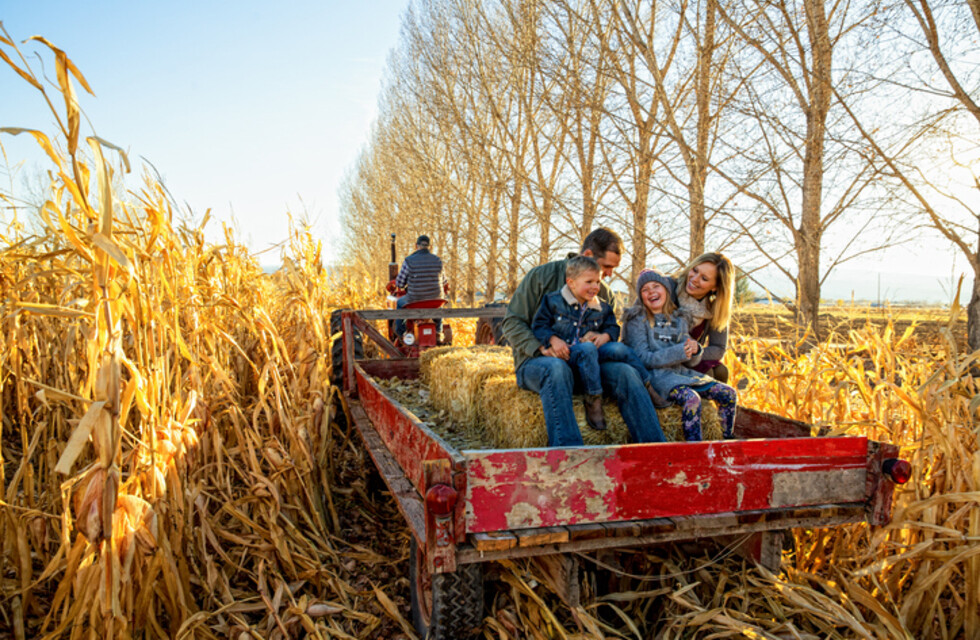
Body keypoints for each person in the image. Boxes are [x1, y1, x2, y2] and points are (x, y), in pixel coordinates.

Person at [501, 228, 666, 447]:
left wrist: (604, 337)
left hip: (587, 368)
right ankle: (570, 455)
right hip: (538, 364)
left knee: (625, 372)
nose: (609, 275)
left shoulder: (603, 293)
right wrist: (541, 348)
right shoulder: (541, 277)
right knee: (556, 368)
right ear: (588, 256)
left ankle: (656, 452)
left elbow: (610, 328)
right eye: (606, 267)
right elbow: (512, 322)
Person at [532, 256, 669, 431]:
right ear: (571, 283)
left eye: (597, 281)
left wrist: (604, 336)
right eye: (589, 282)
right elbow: (538, 326)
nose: (595, 287)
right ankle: (593, 399)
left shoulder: (602, 307)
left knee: (620, 348)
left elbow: (613, 328)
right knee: (587, 348)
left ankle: (648, 386)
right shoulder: (552, 301)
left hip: (595, 353)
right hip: (569, 354)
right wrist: (553, 339)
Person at [621, 269, 738, 440]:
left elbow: (689, 361)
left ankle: (725, 441)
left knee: (729, 394)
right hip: (657, 378)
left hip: (682, 374)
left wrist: (695, 350)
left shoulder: (679, 319)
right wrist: (678, 352)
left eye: (656, 286)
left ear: (667, 291)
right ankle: (693, 449)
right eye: (645, 289)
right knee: (692, 400)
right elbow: (643, 358)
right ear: (641, 296)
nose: (651, 291)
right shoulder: (637, 320)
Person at [671, 252, 735, 383]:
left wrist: (695, 351)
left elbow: (718, 348)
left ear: (715, 287)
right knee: (707, 373)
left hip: (690, 358)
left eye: (704, 279)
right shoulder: (667, 289)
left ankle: (715, 403)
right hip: (662, 355)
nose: (694, 279)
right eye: (694, 270)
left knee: (721, 371)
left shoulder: (713, 309)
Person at [393, 235, 447, 337]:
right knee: (439, 306)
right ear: (430, 247)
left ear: (416, 246)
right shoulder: (438, 261)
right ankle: (438, 332)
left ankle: (402, 333)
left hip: (415, 300)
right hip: (435, 301)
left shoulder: (409, 261)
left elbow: (399, 283)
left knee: (400, 303)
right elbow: (444, 281)